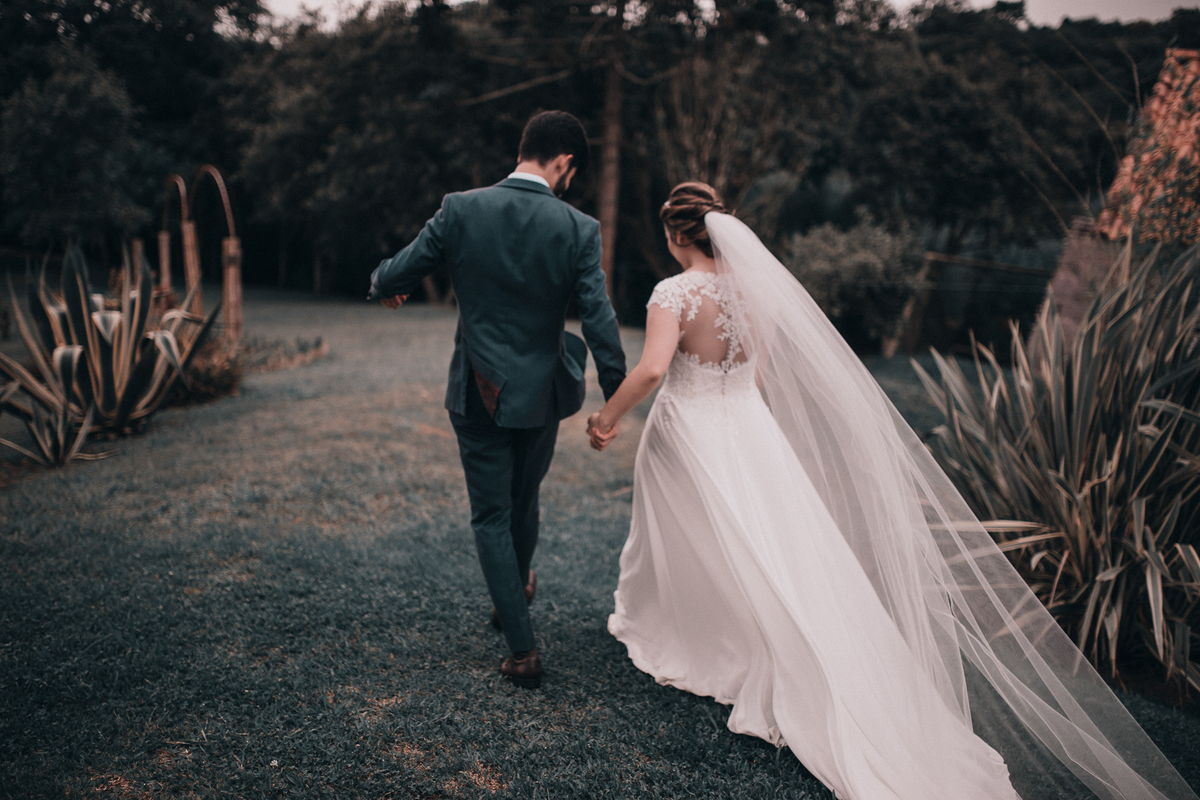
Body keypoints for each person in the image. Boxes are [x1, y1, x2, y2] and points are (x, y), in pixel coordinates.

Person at [584, 182, 1198, 800]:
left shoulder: (674, 292)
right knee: (772, 543)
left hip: (690, 427)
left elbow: (654, 368)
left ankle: (695, 632)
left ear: (675, 235)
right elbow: (759, 369)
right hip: (746, 425)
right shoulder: (755, 291)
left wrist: (607, 419)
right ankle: (751, 634)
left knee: (690, 534)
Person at [369, 110, 626, 690]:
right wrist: (615, 402)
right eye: (571, 172)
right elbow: (601, 320)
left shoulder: (461, 208)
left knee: (491, 513)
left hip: (476, 393)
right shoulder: (579, 227)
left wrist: (390, 285)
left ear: (524, 149)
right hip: (543, 393)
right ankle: (515, 600)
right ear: (564, 162)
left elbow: (393, 275)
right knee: (523, 497)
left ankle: (522, 649)